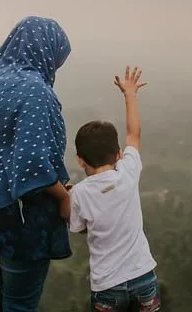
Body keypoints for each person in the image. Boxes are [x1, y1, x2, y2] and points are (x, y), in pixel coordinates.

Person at [0, 16, 73, 312]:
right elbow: (31, 166)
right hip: (18, 221)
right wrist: (63, 196)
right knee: (18, 306)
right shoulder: (35, 92)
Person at [68, 66, 160, 311]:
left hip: (107, 287)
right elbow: (134, 134)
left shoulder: (79, 193)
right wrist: (130, 94)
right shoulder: (128, 172)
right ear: (119, 154)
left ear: (80, 160)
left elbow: (78, 227)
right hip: (143, 277)